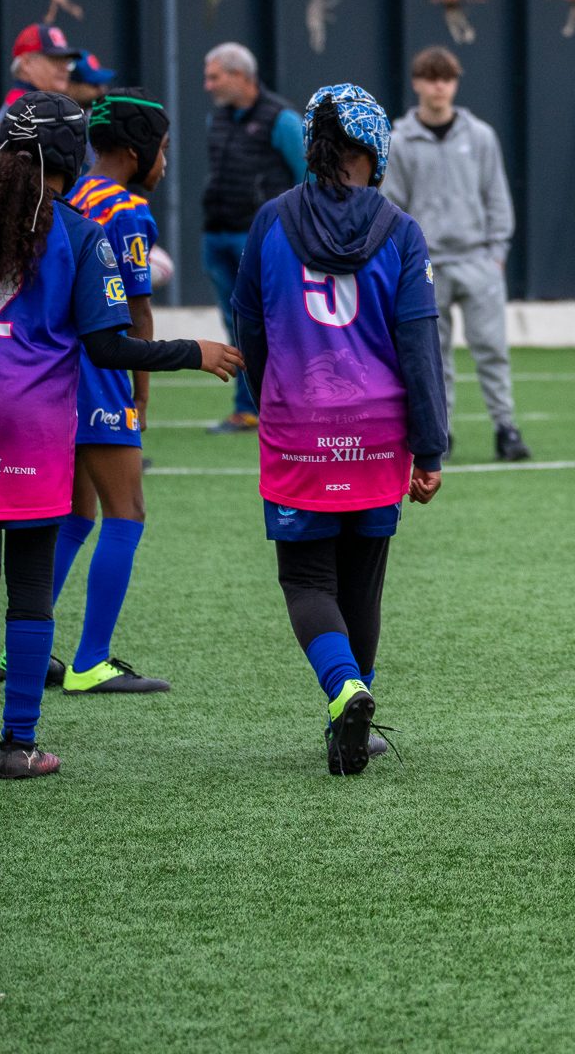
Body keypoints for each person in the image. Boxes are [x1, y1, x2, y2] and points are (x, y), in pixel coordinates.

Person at [0, 92, 240, 781]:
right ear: (70, 159)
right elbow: (109, 347)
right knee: (31, 589)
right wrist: (196, 352)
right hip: (32, 427)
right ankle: (19, 745)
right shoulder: (76, 233)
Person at [231, 83, 448, 775]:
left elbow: (249, 328)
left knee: (305, 579)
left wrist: (268, 399)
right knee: (363, 580)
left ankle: (343, 691)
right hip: (380, 432)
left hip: (297, 425)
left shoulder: (270, 221)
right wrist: (430, 443)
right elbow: (419, 347)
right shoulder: (401, 230)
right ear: (374, 149)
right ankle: (356, 711)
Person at [22, 90, 176, 695]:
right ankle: (91, 659)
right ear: (138, 154)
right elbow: (137, 314)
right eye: (164, 152)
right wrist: (142, 394)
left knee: (76, 512)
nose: (164, 165)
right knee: (127, 510)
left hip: (57, 371)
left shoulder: (74, 194)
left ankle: (27, 649)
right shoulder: (130, 210)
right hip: (101, 370)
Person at [383, 46, 530, 462]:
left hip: (477, 260)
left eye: (445, 78)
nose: (438, 86)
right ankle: (439, 432)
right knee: (432, 355)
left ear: (455, 83)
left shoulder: (480, 136)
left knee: (492, 349)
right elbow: (393, 206)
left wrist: (496, 251)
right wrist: (408, 262)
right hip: (426, 266)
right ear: (417, 84)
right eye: (430, 78)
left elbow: (497, 197)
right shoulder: (399, 141)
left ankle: (506, 428)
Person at [201, 41, 307, 434]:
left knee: (275, 323)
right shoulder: (218, 119)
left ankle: (284, 405)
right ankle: (249, 408)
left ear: (239, 75)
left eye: (214, 76)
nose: (208, 85)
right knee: (236, 326)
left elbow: (305, 178)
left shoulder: (283, 120)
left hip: (260, 239)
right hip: (216, 236)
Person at [0, 24, 79, 147]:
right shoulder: (24, 111)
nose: (64, 68)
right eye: (55, 59)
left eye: (67, 61)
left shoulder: (34, 105)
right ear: (26, 63)